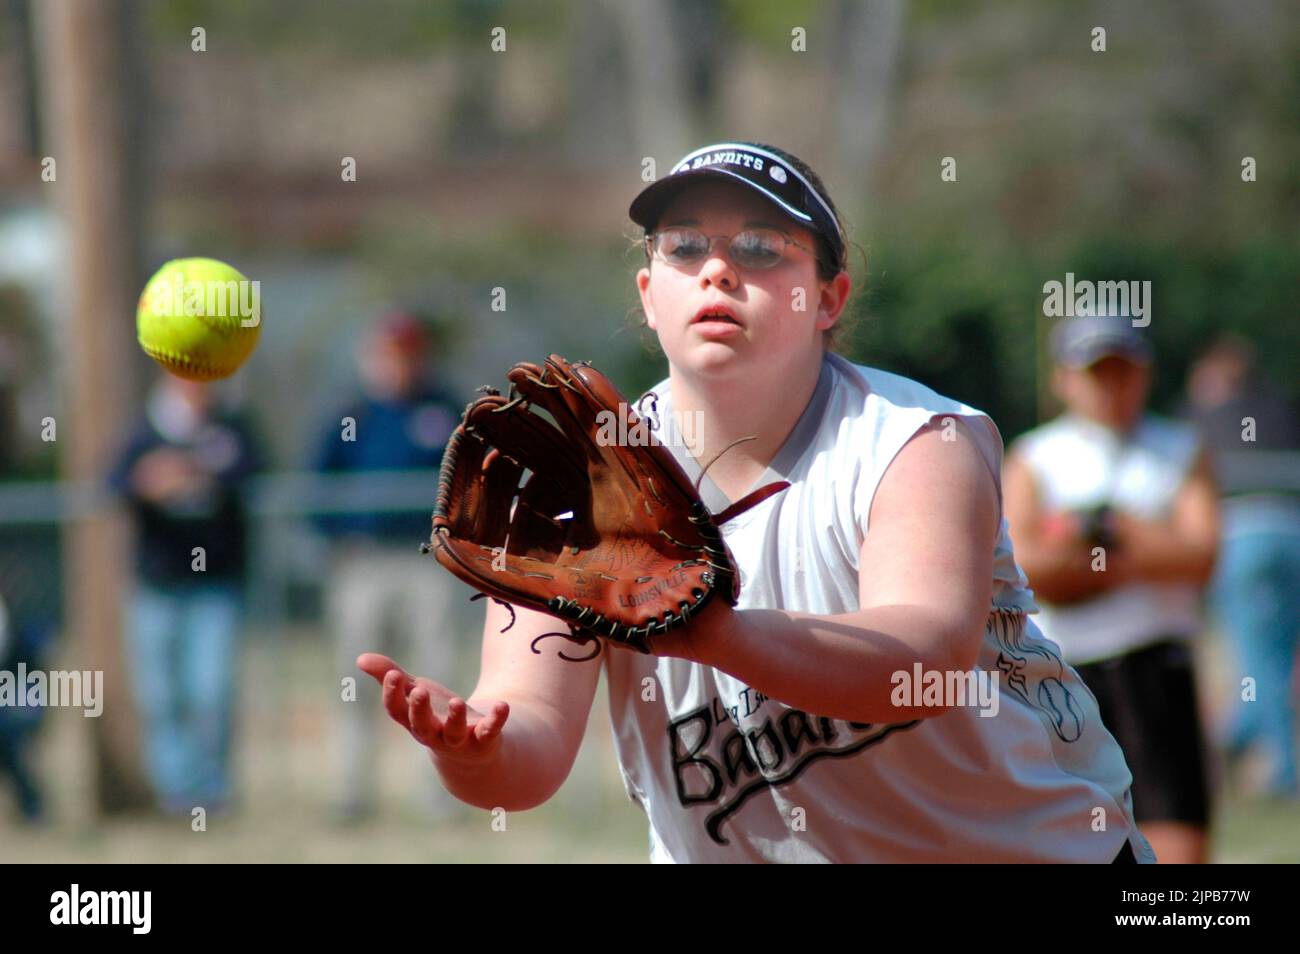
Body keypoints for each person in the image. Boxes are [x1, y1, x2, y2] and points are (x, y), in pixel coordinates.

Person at [358, 141, 1155, 862]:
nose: (718, 268)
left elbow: (926, 657)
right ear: (648, 293)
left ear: (829, 298)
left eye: (762, 248)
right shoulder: (585, 485)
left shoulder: (914, 442)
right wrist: (469, 752)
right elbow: (525, 750)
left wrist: (717, 634)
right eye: (686, 246)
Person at [1004, 317, 1220, 864]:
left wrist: (1098, 533)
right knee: (1068, 839)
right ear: (1064, 379)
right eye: (1096, 373)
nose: (1111, 386)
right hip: (1065, 674)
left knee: (1176, 840)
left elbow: (1200, 557)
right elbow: (1025, 570)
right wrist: (1141, 545)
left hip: (1156, 668)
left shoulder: (1179, 448)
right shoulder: (1034, 457)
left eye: (1123, 371)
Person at [309, 311, 464, 821]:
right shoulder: (351, 414)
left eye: (404, 355)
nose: (394, 366)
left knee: (434, 679)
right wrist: (337, 541)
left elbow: (475, 475)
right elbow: (316, 486)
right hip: (364, 563)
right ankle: (351, 794)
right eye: (384, 355)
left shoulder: (443, 409)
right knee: (355, 681)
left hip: (428, 563)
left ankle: (439, 794)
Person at [107, 374, 263, 815]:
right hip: (157, 586)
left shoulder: (231, 424)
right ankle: (178, 795)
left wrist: (196, 470)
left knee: (211, 690)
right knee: (162, 696)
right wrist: (147, 480)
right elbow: (111, 482)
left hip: (216, 584)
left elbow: (255, 468)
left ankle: (213, 791)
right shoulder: (143, 428)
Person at [1181, 335, 1300, 798]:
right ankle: (1234, 738)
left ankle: (1283, 770)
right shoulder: (1281, 410)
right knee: (1276, 658)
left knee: (1257, 660)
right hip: (1292, 532)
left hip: (1241, 537)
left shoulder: (1200, 420)